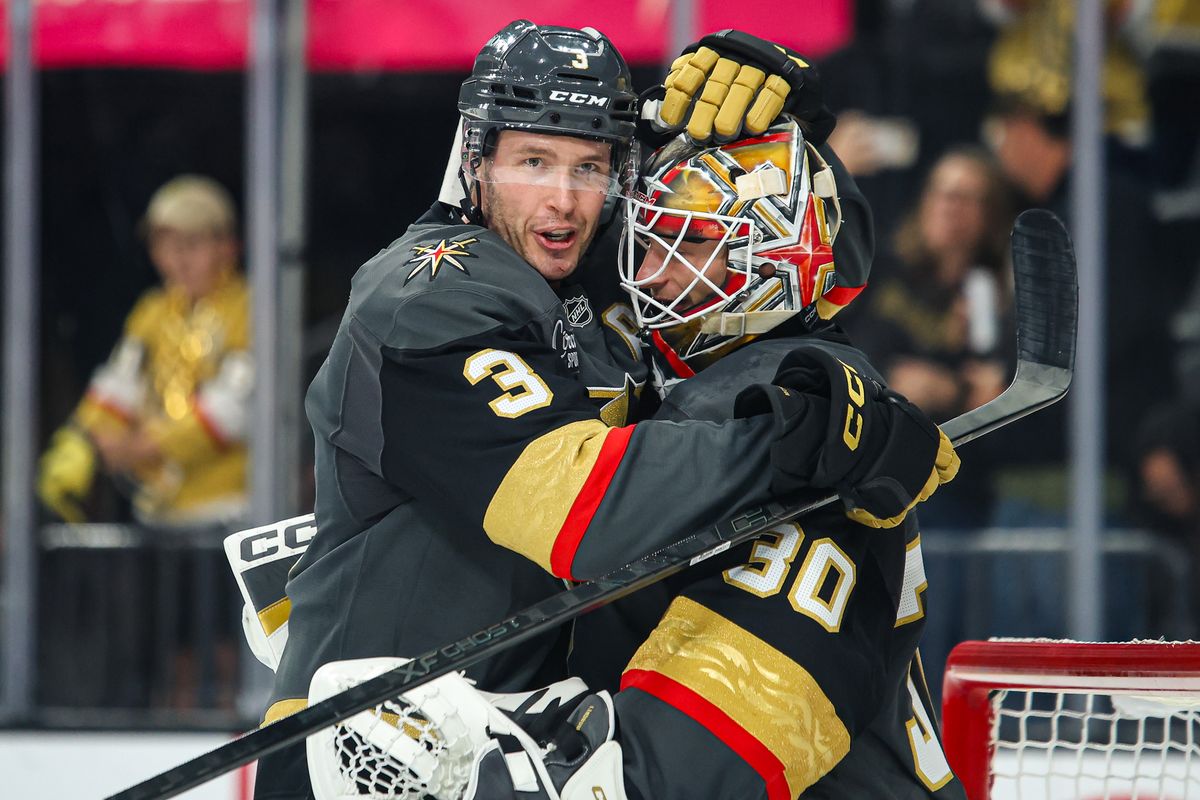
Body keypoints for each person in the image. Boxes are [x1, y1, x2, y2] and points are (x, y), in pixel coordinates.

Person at [257, 20, 957, 800]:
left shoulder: (573, 289)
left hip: (488, 744)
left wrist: (790, 128)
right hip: (373, 756)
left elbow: (818, 254)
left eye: (588, 166)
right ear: (474, 161)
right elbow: (583, 510)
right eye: (532, 161)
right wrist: (791, 442)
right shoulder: (428, 295)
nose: (562, 198)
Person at [38, 174, 252, 527]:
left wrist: (144, 446)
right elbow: (117, 385)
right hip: (157, 510)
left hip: (231, 509)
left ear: (228, 246)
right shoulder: (152, 310)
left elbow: (236, 408)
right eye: (165, 245)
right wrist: (80, 442)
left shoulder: (250, 308)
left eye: (192, 243)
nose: (177, 259)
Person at [840, 146, 1013, 528]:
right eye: (944, 192)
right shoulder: (881, 267)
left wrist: (949, 387)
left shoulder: (992, 297)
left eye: (967, 197)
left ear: (990, 214)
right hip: (864, 464)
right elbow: (843, 341)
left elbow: (989, 389)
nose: (951, 207)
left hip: (949, 485)